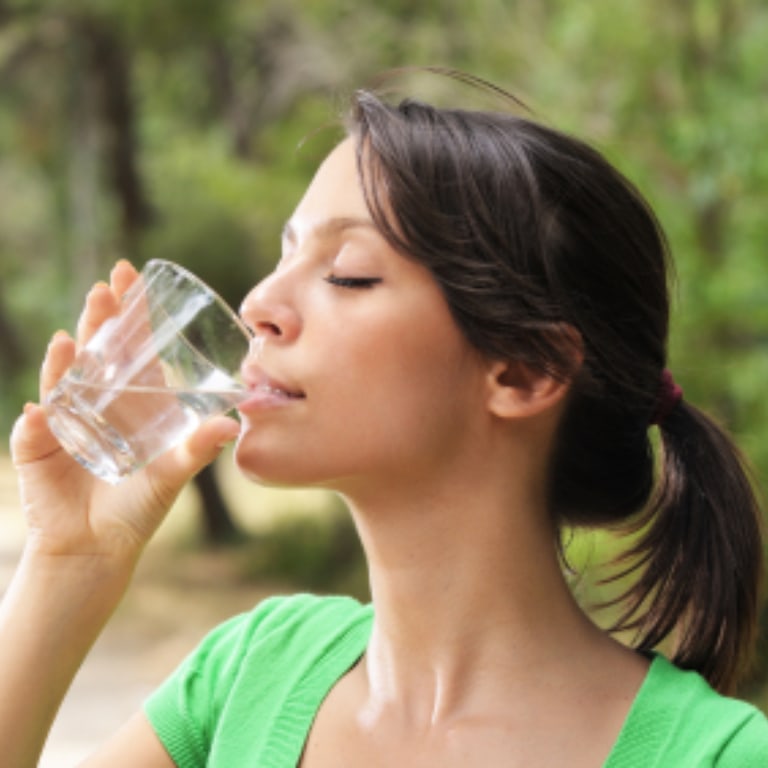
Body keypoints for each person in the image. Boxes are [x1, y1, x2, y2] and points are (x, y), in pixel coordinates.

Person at [2, 73, 768, 767]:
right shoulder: (253, 674)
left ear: (524, 370)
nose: (258, 305)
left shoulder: (716, 756)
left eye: (348, 274)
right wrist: (68, 562)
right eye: (284, 255)